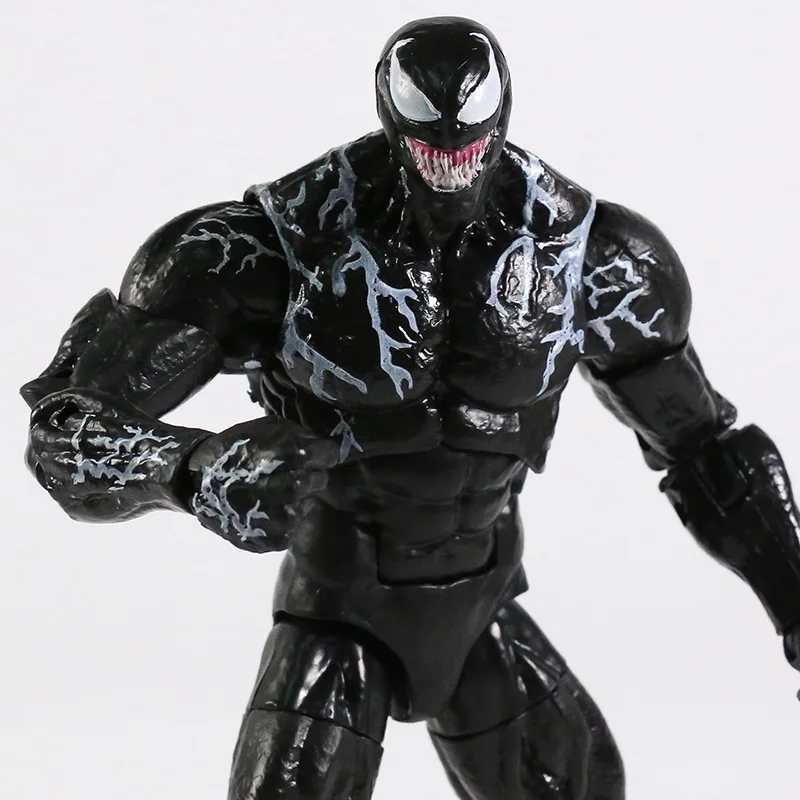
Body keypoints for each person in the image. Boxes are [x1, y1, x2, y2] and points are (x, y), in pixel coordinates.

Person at [22, 16, 800, 800]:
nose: (450, 144)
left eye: (469, 124)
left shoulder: (592, 259)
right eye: (429, 123)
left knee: (583, 786)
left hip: (484, 598)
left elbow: (706, 449)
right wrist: (188, 471)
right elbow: (65, 430)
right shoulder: (266, 250)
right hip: (338, 604)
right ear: (390, 113)